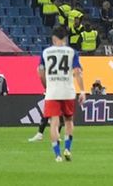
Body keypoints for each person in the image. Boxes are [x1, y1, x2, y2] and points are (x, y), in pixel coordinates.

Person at [38, 25, 84, 163]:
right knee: (69, 120)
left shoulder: (45, 52)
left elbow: (40, 72)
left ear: (53, 38)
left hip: (52, 92)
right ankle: (67, 149)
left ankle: (57, 155)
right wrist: (82, 91)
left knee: (54, 122)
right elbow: (77, 72)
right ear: (65, 38)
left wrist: (46, 86)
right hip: (67, 91)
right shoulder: (72, 52)